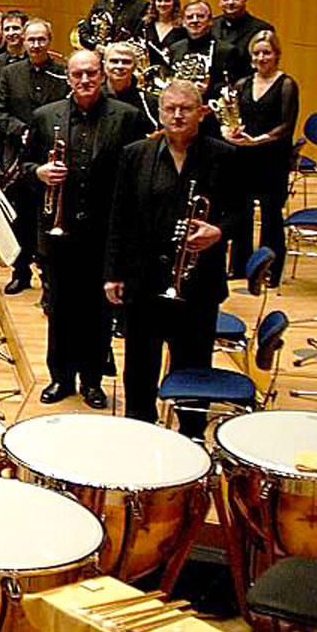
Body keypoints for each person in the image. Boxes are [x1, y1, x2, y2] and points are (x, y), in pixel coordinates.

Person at [106, 80, 241, 437]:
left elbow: (241, 214)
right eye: (170, 108)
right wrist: (112, 273)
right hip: (143, 280)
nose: (178, 115)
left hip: (199, 286)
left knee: (193, 366)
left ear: (201, 112)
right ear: (161, 112)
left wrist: (218, 232)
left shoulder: (223, 156)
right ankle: (139, 432)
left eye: (186, 108)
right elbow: (119, 217)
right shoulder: (135, 154)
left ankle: (192, 435)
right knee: (139, 367)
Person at [24, 49, 149, 408]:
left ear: (102, 74)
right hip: (58, 235)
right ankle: (60, 377)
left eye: (91, 73)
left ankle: (92, 380)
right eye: (77, 74)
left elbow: (138, 175)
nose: (85, 80)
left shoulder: (127, 117)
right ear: (68, 77)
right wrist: (39, 173)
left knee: (98, 313)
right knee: (60, 309)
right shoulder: (45, 117)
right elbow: (25, 164)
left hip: (105, 234)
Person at [0, 18, 69, 294]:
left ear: (49, 41)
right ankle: (21, 273)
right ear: (23, 40)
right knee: (21, 218)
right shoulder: (10, 73)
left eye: (41, 39)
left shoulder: (63, 73)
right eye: (31, 39)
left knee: (50, 219)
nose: (35, 45)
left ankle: (49, 277)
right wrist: (19, 129)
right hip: (18, 158)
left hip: (52, 156)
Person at [225, 30, 299, 282]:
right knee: (240, 213)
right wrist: (232, 133)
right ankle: (240, 266)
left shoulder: (287, 84)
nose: (261, 57)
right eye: (256, 53)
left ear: (276, 54)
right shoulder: (242, 84)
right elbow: (233, 117)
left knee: (270, 215)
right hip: (243, 157)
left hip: (272, 158)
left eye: (266, 52)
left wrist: (258, 141)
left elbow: (286, 125)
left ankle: (269, 271)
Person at [211, 0, 274, 83]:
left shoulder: (261, 29)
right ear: (220, 2)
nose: (230, 2)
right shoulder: (211, 25)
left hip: (246, 87)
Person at [140, 0, 187, 69]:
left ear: (174, 3)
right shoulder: (145, 25)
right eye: (159, 1)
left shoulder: (182, 28)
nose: (163, 4)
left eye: (167, 1)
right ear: (154, 3)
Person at [101, 41, 149, 121]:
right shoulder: (92, 99)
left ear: (134, 67)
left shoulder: (148, 103)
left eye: (126, 62)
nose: (120, 66)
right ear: (104, 65)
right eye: (114, 61)